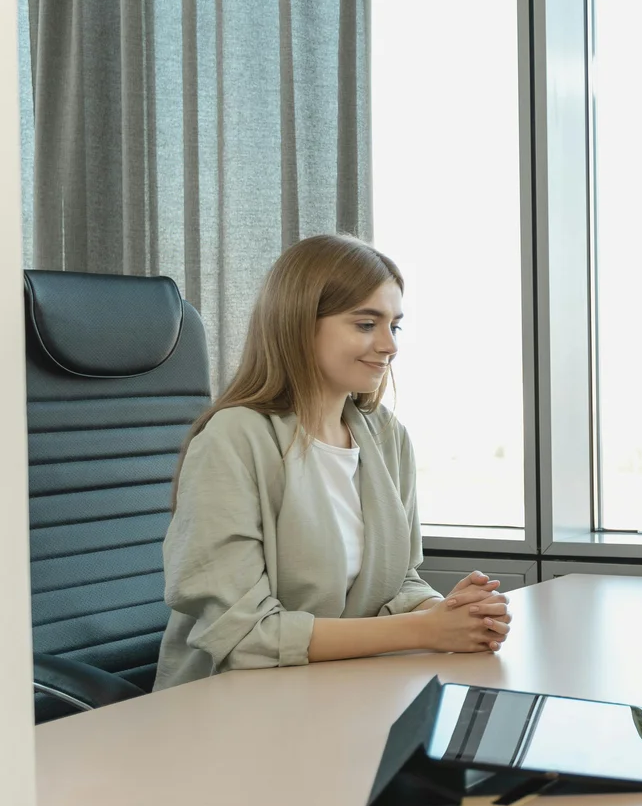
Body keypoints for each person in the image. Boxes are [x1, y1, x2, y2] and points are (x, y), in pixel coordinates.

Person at [154, 234, 511, 690]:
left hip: (338, 692)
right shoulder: (233, 439)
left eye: (394, 326)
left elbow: (399, 582)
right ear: (299, 325)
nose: (389, 345)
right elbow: (243, 636)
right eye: (365, 324)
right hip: (232, 706)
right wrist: (425, 630)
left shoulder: (386, 437)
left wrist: (449, 613)